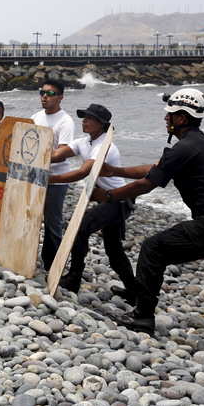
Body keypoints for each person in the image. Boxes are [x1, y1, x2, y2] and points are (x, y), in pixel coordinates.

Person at [93, 88, 204, 334]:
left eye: (170, 115)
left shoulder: (186, 147)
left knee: (153, 249)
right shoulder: (197, 144)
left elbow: (147, 184)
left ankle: (142, 317)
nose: (166, 118)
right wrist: (114, 171)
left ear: (182, 118)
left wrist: (108, 195)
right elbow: (155, 168)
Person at [48, 104, 136, 296]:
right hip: (106, 200)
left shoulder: (105, 147)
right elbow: (57, 155)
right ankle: (134, 290)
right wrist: (36, 156)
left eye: (90, 118)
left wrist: (48, 178)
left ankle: (74, 278)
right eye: (84, 117)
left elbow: (82, 173)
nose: (84, 121)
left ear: (101, 124)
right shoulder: (85, 142)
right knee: (114, 250)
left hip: (118, 201)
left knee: (80, 228)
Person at [32, 78, 74, 270]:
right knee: (31, 215)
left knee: (52, 221)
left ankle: (53, 264)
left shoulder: (66, 121)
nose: (44, 97)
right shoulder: (36, 117)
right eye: (42, 92)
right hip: (35, 175)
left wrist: (40, 155)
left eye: (50, 94)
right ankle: (28, 255)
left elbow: (62, 154)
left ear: (61, 97)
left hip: (56, 179)